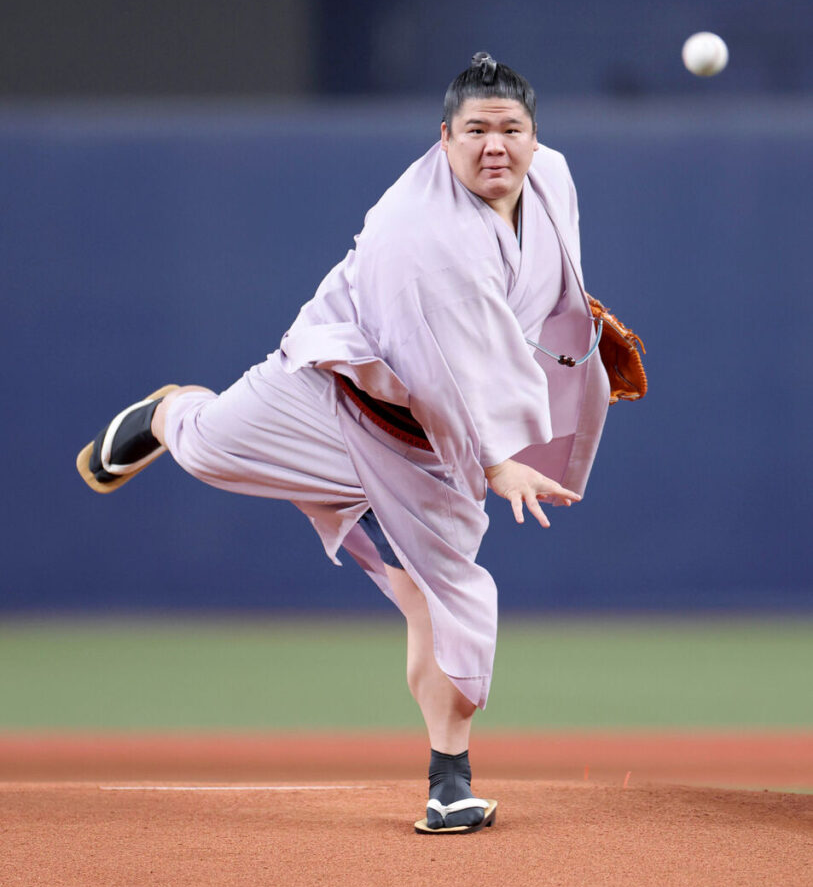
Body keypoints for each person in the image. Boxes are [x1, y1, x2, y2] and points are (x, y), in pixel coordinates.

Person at [77, 51, 610, 834]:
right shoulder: (421, 235)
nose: (494, 146)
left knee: (444, 596)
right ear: (443, 138)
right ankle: (167, 413)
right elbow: (440, 372)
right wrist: (498, 461)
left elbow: (531, 293)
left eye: (510, 129)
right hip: (331, 397)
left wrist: (569, 331)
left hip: (424, 446)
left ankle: (448, 781)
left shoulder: (549, 177)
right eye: (474, 131)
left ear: (534, 136)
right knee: (206, 449)